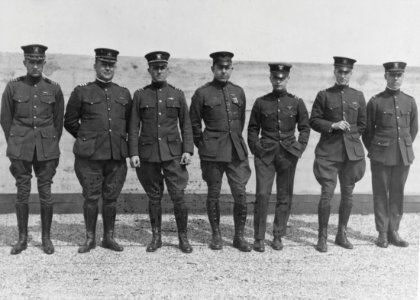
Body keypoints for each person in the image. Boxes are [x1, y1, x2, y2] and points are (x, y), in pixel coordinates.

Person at [64, 48, 131, 253]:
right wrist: (87, 139)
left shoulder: (123, 93)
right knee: (91, 197)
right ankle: (90, 238)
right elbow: (70, 121)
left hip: (115, 156)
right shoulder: (81, 91)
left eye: (111, 65)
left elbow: (129, 123)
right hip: (89, 157)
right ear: (95, 66)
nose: (107, 68)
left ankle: (108, 237)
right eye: (103, 64)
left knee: (111, 198)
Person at [0, 44, 64, 255]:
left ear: (44, 63)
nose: (35, 66)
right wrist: (15, 141)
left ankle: (46, 239)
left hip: (46, 149)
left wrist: (50, 143)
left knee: (46, 194)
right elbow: (6, 119)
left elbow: (58, 122)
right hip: (20, 148)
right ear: (25, 63)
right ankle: (22, 238)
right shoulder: (13, 87)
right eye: (31, 62)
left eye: (39, 62)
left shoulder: (53, 88)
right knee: (22, 193)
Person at [128, 51, 194, 253]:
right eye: (154, 68)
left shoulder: (177, 94)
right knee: (154, 197)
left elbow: (186, 125)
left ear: (168, 69)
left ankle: (183, 238)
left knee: (178, 196)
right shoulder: (140, 95)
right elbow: (133, 126)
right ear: (149, 70)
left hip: (173, 154)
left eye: (162, 67)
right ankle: (156, 237)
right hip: (148, 154)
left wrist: (188, 150)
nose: (158, 71)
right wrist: (134, 153)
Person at [190, 51, 251, 252]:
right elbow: (194, 125)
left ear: (231, 69)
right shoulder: (202, 93)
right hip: (212, 152)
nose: (223, 71)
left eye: (227, 67)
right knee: (213, 194)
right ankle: (216, 236)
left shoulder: (238, 92)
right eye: (220, 68)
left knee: (240, 194)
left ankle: (239, 237)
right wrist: (205, 145)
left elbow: (240, 121)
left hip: (235, 151)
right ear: (213, 69)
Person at [248, 63, 310, 252]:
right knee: (262, 195)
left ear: (288, 79)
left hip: (288, 156)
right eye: (275, 78)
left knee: (284, 196)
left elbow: (305, 128)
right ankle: (258, 237)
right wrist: (257, 148)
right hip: (265, 155)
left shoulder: (296, 102)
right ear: (270, 79)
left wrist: (298, 148)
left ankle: (277, 235)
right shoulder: (261, 102)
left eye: (282, 78)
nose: (278, 81)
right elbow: (252, 129)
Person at [309, 56, 366, 252]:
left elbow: (363, 124)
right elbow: (314, 121)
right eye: (340, 72)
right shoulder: (324, 95)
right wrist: (332, 125)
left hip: (351, 154)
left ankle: (341, 234)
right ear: (335, 72)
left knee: (348, 195)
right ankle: (322, 237)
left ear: (351, 73)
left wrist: (351, 136)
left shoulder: (358, 96)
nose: (343, 75)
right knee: (327, 195)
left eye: (347, 72)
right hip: (329, 153)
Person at [362, 62, 418, 248]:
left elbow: (413, 129)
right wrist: (376, 150)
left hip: (403, 155)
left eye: (399, 75)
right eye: (392, 75)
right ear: (385, 76)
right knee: (380, 193)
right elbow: (367, 131)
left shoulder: (409, 101)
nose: (395, 79)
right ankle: (382, 233)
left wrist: (404, 146)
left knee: (397, 193)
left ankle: (394, 230)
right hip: (380, 155)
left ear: (403, 77)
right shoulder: (375, 101)